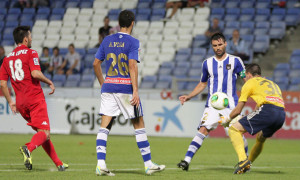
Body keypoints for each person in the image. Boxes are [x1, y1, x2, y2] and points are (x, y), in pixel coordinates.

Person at [93, 10, 165, 176]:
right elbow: (132, 66)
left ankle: (100, 164)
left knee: (104, 126)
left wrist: (103, 83)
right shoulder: (133, 42)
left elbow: (96, 64)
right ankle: (148, 164)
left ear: (118, 23)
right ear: (132, 23)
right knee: (139, 124)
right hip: (125, 88)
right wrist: (136, 91)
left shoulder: (107, 40)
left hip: (109, 87)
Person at [177, 33, 248, 171]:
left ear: (225, 44)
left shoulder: (236, 61)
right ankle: (186, 161)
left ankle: (245, 160)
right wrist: (189, 96)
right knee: (203, 129)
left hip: (231, 105)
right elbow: (202, 84)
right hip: (213, 105)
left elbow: (246, 79)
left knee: (237, 133)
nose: (218, 48)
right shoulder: (207, 63)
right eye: (215, 46)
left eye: (220, 45)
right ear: (212, 46)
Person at [0, 26, 68, 171]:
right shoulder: (31, 53)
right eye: (30, 36)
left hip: (21, 102)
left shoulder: (7, 59)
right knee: (45, 133)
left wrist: (10, 101)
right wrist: (49, 81)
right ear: (25, 39)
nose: (31, 39)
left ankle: (59, 163)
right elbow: (36, 73)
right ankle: (28, 148)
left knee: (42, 134)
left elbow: (2, 83)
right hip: (35, 98)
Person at [219, 63, 285, 174]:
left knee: (234, 129)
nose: (244, 78)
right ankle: (248, 164)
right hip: (281, 114)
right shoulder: (272, 83)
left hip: (268, 110)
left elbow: (238, 109)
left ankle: (242, 161)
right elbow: (259, 108)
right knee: (260, 138)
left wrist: (227, 120)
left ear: (249, 74)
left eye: (245, 75)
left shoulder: (250, 83)